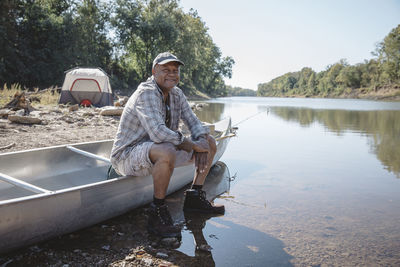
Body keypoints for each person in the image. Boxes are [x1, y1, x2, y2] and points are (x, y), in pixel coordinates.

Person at [111, 52, 224, 238]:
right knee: (167, 149)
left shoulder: (177, 94)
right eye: (166, 69)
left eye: (175, 70)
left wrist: (201, 139)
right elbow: (158, 133)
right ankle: (157, 212)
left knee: (209, 142)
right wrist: (192, 146)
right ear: (154, 71)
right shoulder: (146, 92)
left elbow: (193, 121)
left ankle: (195, 197)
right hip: (127, 156)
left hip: (160, 151)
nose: (172, 74)